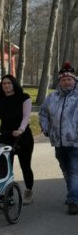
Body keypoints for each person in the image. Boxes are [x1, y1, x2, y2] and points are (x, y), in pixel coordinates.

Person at [0, 75, 35, 204]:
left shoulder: (24, 98)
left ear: (14, 84)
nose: (6, 85)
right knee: (6, 167)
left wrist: (21, 129)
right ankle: (9, 194)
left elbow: (26, 117)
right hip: (6, 134)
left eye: (9, 83)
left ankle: (28, 191)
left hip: (22, 136)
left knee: (25, 165)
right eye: (4, 83)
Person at [38, 62, 78, 215]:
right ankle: (73, 194)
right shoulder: (52, 97)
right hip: (58, 142)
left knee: (74, 170)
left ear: (74, 80)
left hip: (75, 141)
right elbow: (42, 113)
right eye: (63, 80)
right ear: (59, 81)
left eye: (69, 79)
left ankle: (73, 200)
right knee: (65, 169)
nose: (66, 82)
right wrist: (46, 128)